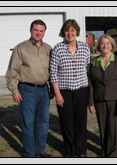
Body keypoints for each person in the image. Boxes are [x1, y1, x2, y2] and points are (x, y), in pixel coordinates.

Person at [5, 19, 53, 157]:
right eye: (35, 30)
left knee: (44, 122)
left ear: (44, 32)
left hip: (44, 90)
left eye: (41, 30)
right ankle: (29, 154)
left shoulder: (48, 49)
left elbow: (52, 70)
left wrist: (52, 88)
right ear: (31, 30)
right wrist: (15, 90)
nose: (38, 33)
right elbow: (12, 72)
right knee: (28, 123)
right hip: (27, 90)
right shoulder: (21, 48)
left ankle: (40, 151)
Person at [50, 19, 90, 157]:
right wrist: (57, 94)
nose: (70, 33)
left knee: (80, 122)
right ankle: (69, 151)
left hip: (81, 91)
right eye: (67, 30)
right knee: (66, 123)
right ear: (63, 32)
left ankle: (81, 151)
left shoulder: (85, 48)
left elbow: (88, 69)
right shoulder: (57, 49)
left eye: (72, 30)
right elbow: (53, 72)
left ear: (77, 31)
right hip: (64, 92)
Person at [89, 34, 117, 157]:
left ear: (112, 46)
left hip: (114, 100)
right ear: (99, 46)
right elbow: (91, 84)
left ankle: (113, 154)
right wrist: (91, 102)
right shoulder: (94, 62)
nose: (105, 46)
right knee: (103, 127)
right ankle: (104, 153)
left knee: (113, 129)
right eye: (102, 43)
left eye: (108, 43)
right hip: (99, 100)